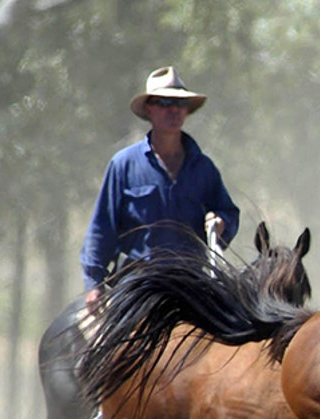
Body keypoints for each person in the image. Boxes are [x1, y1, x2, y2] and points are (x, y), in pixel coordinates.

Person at [81, 65, 240, 312]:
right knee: (109, 347)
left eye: (180, 104)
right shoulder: (124, 165)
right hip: (137, 288)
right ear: (149, 109)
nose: (174, 110)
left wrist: (221, 223)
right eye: (165, 102)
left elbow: (229, 212)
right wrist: (94, 284)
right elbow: (102, 229)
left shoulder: (204, 168)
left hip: (192, 288)